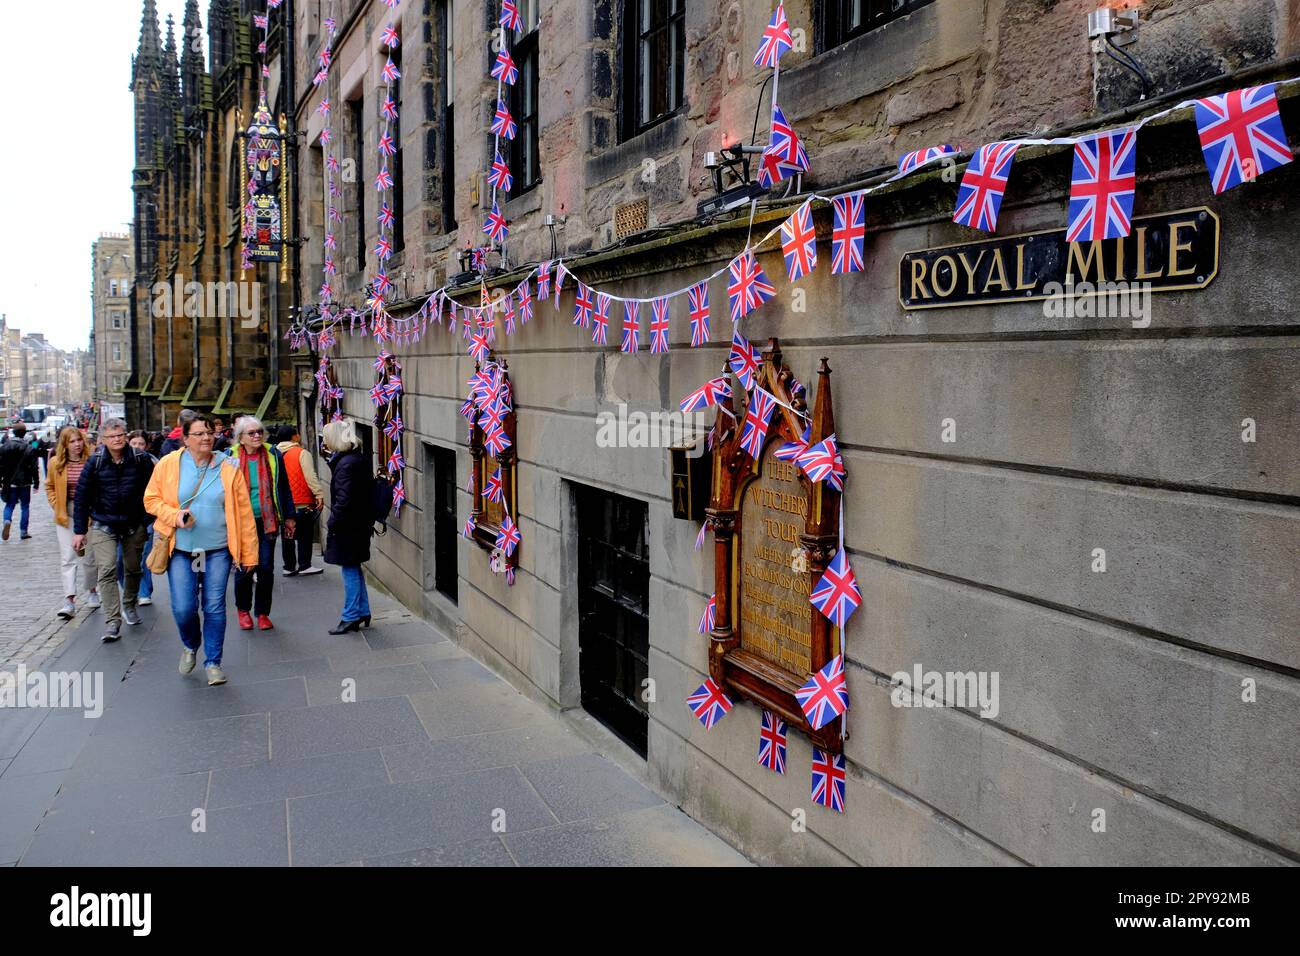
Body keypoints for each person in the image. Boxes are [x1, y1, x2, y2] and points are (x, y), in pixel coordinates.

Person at [144, 413, 257, 686]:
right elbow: (151, 500)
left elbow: (244, 513)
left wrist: (250, 554)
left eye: (209, 432)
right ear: (185, 439)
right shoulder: (169, 464)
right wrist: (174, 516)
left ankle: (213, 662)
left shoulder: (229, 467)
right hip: (181, 549)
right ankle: (191, 644)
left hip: (217, 549)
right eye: (199, 434)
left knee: (214, 606)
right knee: (183, 607)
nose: (206, 438)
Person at [71, 418, 155, 643]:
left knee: (132, 568)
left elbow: (155, 490)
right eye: (111, 436)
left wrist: (146, 519)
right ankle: (112, 620)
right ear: (103, 440)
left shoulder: (141, 459)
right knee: (106, 569)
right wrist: (79, 531)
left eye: (120, 435)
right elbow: (81, 497)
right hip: (102, 523)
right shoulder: (95, 462)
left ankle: (129, 605)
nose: (117, 439)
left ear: (125, 436)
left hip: (133, 522)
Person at [230, 416, 295, 631]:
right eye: (252, 433)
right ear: (240, 438)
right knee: (244, 569)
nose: (257, 435)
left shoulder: (273, 454)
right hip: (241, 523)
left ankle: (263, 613)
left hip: (267, 520)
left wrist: (289, 516)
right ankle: (243, 610)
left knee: (266, 568)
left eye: (259, 431)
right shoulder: (228, 458)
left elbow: (283, 487)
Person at [322, 419, 374, 634]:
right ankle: (362, 611)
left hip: (349, 526)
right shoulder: (356, 459)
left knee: (349, 569)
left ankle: (351, 616)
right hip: (359, 524)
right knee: (354, 567)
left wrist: (332, 522)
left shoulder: (345, 464)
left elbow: (343, 500)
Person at [46, 426, 99, 619]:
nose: (76, 445)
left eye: (78, 440)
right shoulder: (56, 463)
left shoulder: (91, 460)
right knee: (67, 556)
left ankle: (92, 591)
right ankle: (69, 599)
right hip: (66, 512)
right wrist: (56, 504)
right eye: (72, 441)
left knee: (89, 555)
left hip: (89, 512)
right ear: (65, 444)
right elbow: (49, 486)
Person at [276, 424, 325, 576]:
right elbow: (310, 476)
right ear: (294, 436)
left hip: (283, 503)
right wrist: (318, 494)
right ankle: (305, 565)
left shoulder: (274, 453)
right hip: (301, 500)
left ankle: (289, 566)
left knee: (287, 535)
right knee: (305, 534)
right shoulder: (301, 453)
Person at [118, 431, 160, 606]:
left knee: (142, 557)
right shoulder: (120, 461)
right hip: (123, 518)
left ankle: (144, 591)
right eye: (134, 443)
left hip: (145, 517)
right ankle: (130, 588)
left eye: (141, 444)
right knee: (120, 559)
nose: (137, 447)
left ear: (146, 445)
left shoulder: (153, 463)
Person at [0, 422, 40, 541]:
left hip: (10, 482)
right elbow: (34, 467)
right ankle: (23, 531)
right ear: (24, 433)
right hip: (25, 482)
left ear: (13, 432)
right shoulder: (29, 447)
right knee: (25, 506)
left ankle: (7, 520)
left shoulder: (5, 447)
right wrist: (36, 482)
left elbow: (0, 466)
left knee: (9, 505)